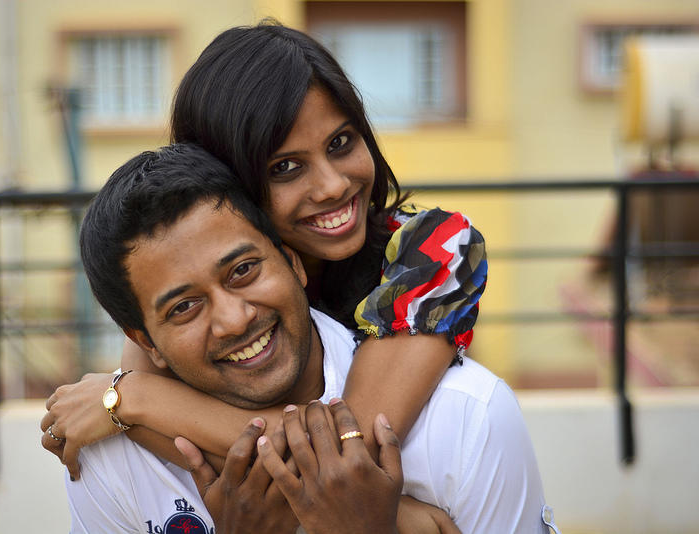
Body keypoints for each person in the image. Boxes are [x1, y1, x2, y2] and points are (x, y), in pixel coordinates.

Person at [43, 20, 487, 479]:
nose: (334, 185)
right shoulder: (186, 298)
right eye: (286, 167)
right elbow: (184, 453)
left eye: (341, 142)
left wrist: (133, 401)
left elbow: (345, 457)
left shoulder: (436, 248)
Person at [59, 143, 551, 533]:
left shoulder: (466, 420)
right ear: (145, 341)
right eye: (184, 307)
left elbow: (342, 459)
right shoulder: (109, 456)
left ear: (293, 259)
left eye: (244, 270)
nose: (232, 320)